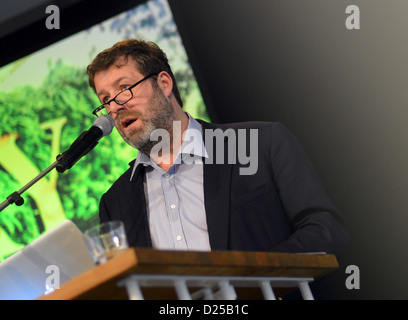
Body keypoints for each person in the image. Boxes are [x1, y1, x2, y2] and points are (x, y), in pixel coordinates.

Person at [86, 39, 348, 258]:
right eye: (105, 99)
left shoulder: (261, 143)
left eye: (124, 88)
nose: (114, 107)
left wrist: (252, 279)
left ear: (164, 84)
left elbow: (324, 230)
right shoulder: (115, 202)